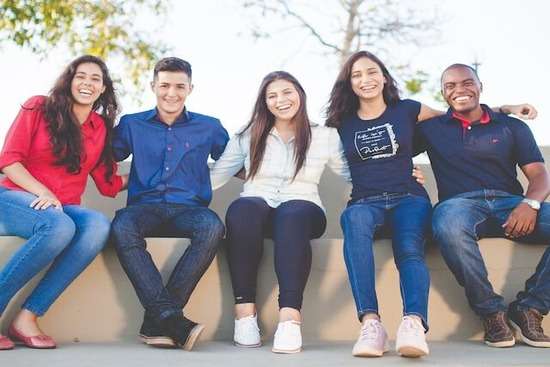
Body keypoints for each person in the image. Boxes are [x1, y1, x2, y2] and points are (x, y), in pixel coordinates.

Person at [325, 50, 535, 358]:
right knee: (353, 224)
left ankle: (413, 323)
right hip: (365, 201)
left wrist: (506, 108)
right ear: (349, 83)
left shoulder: (408, 110)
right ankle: (371, 325)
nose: (365, 80)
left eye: (371, 72)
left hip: (409, 198)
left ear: (384, 77)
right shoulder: (340, 123)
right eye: (356, 75)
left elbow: (460, 113)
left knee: (409, 248)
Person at [209, 71, 353, 354]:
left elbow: (353, 173)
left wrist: (397, 176)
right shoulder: (248, 135)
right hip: (257, 206)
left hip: (304, 207)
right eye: (272, 95)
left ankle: (289, 319)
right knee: (242, 209)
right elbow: (216, 176)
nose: (281, 100)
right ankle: (245, 314)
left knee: (292, 214)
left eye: (287, 92)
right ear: (264, 102)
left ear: (300, 93)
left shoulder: (325, 136)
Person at [418, 63, 550, 348]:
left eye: (467, 83)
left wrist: (530, 203)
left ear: (480, 86)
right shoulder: (432, 129)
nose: (459, 90)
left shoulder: (512, 126)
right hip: (459, 206)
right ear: (443, 94)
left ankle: (530, 308)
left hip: (511, 205)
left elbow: (539, 174)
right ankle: (491, 312)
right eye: (450, 86)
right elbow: (391, 142)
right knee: (448, 226)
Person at [0, 55, 126, 350]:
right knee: (58, 227)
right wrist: (42, 191)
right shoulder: (38, 107)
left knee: (96, 225)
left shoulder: (99, 127)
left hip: (61, 206)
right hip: (14, 195)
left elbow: (108, 183)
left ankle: (27, 317)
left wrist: (155, 175)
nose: (87, 83)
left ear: (103, 88)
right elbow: (9, 161)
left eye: (96, 79)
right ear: (69, 80)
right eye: (81, 76)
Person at [109, 57, 229, 351]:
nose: (171, 93)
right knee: (122, 226)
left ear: (190, 88)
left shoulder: (209, 127)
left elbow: (237, 162)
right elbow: (103, 159)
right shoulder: (131, 124)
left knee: (212, 226)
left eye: (179, 86)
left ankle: (159, 320)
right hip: (143, 207)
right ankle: (172, 319)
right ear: (153, 86)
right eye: (164, 85)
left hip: (191, 209)